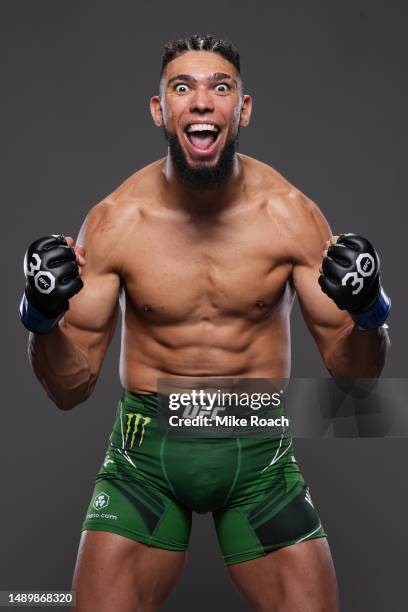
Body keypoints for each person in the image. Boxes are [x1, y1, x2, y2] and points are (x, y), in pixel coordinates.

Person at [20, 34, 390, 612]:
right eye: (182, 87)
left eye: (220, 88)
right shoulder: (117, 221)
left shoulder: (290, 216)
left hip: (258, 455)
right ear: (159, 109)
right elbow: (70, 390)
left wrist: (370, 312)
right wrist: (41, 320)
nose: (201, 102)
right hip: (145, 461)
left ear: (241, 110)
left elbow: (356, 380)